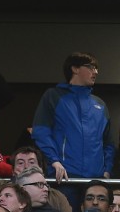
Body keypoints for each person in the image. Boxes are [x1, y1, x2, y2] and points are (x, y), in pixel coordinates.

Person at [32, 53, 113, 190]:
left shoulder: (100, 104)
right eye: (91, 67)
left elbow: (108, 143)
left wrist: (107, 170)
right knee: (66, 211)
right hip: (63, 178)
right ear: (75, 69)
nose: (96, 72)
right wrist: (55, 161)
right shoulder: (53, 96)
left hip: (95, 180)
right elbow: (41, 131)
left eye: (96, 68)